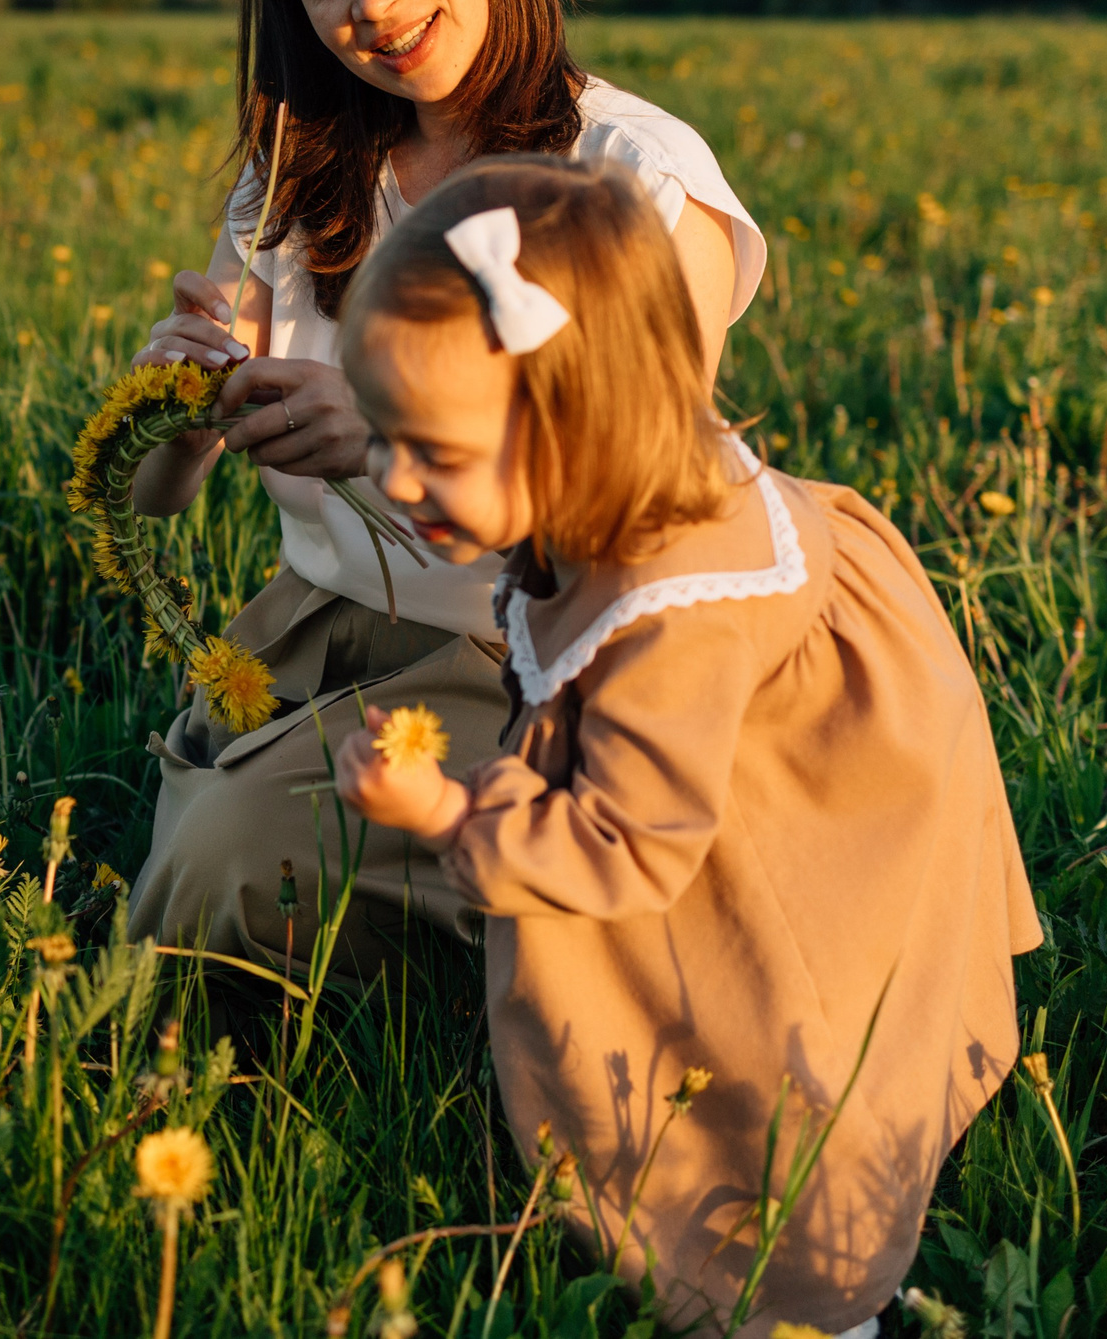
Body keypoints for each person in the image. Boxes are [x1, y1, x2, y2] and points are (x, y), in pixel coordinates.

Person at [327, 158, 1041, 1336]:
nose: (394, 479)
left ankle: (814, 1291)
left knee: (772, 1041)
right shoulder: (616, 476)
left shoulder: (679, 625)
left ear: (585, 428)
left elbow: (631, 841)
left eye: (434, 455)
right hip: (760, 748)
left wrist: (453, 817)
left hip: (793, 801)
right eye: (383, 435)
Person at [124, 0, 767, 974]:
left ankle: (502, 909)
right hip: (305, 630)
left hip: (524, 654)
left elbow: (642, 501)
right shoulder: (294, 173)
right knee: (197, 870)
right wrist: (183, 402)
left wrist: (383, 431)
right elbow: (157, 499)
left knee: (208, 875)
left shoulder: (633, 175)